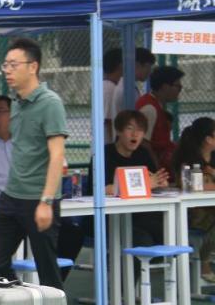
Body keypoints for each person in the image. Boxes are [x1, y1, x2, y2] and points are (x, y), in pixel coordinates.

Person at [0, 37, 68, 290]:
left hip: (39, 198)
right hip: (11, 196)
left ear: (33, 67)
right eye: (6, 65)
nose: (8, 71)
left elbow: (57, 155)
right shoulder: (16, 104)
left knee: (47, 269)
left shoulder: (50, 103)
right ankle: (21, 304)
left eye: (14, 65)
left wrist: (46, 202)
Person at [87, 110, 169, 247]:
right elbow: (104, 189)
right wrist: (145, 184)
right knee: (143, 240)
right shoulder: (103, 154)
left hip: (139, 215)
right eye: (130, 128)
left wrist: (160, 182)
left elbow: (154, 179)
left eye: (140, 130)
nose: (135, 134)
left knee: (168, 231)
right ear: (119, 131)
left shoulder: (143, 154)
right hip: (109, 218)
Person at [170, 117, 215, 282]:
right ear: (208, 139)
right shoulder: (188, 160)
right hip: (194, 212)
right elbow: (192, 186)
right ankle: (204, 260)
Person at [136, 65, 184, 173]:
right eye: (178, 87)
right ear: (165, 86)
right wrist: (158, 170)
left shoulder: (156, 105)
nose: (179, 91)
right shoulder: (150, 108)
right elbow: (144, 143)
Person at [102, 48, 123, 144]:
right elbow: (108, 121)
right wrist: (113, 147)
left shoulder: (108, 86)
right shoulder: (109, 88)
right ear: (121, 65)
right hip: (107, 145)